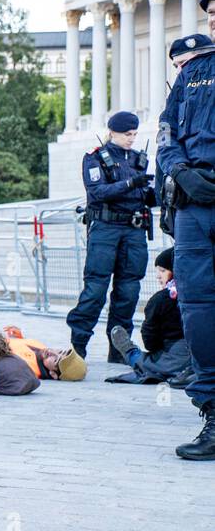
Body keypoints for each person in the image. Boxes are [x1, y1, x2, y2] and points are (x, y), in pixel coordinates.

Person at [158, 29, 215, 459]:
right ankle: (212, 415)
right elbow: (165, 135)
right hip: (193, 203)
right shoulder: (191, 74)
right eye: (211, 13)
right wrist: (181, 171)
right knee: (196, 309)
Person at [65, 111, 152, 362]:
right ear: (112, 132)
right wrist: (130, 185)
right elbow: (98, 192)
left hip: (134, 230)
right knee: (95, 289)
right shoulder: (95, 158)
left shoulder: (139, 159)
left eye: (135, 134)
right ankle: (78, 346)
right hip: (105, 228)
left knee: (128, 292)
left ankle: (119, 350)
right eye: (127, 134)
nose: (132, 139)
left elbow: (145, 195)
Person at [106, 247, 192, 386]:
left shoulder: (160, 300)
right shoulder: (203, 294)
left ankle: (130, 351)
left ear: (176, 271)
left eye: (163, 271)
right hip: (203, 356)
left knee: (144, 362)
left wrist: (157, 351)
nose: (158, 275)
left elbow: (150, 339)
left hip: (175, 356)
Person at [2, 326, 87, 381]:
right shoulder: (43, 351)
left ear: (53, 374)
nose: (52, 352)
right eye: (60, 351)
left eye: (55, 360)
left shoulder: (26, 368)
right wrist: (17, 337)